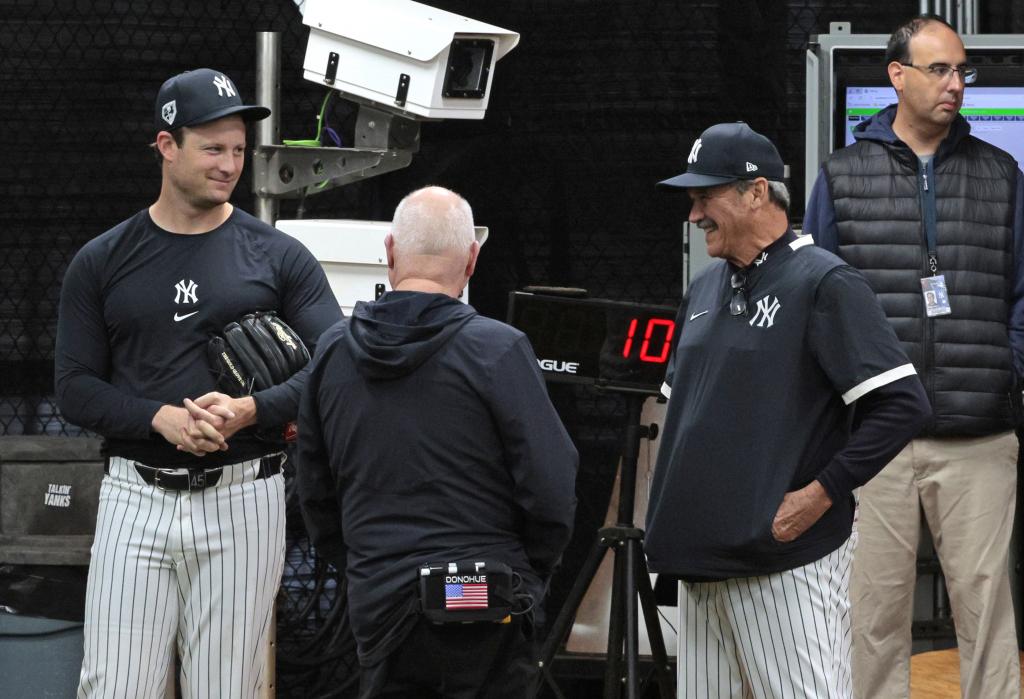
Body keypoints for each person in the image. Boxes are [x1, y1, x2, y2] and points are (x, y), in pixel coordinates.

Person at [55, 68, 343, 698]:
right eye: (213, 148)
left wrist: (253, 408)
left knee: (228, 689)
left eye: (238, 150)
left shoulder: (277, 255)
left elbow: (336, 362)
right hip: (137, 496)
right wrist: (159, 418)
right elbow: (74, 387)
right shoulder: (103, 260)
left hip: (245, 495)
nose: (229, 164)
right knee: (115, 686)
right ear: (166, 145)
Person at [645, 122, 930, 698]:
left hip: (783, 560)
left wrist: (818, 494)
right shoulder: (703, 288)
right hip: (702, 561)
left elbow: (902, 405)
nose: (694, 213)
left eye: (706, 197)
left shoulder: (824, 281)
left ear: (756, 192)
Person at [804, 15, 1024, 699]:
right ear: (897, 75)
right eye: (940, 70)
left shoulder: (1002, 173)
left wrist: (1008, 366)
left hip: (978, 432)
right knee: (871, 615)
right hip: (875, 439)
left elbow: (1022, 289)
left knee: (989, 615)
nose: (955, 84)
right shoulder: (841, 176)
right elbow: (817, 298)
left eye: (962, 71)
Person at [296, 185, 578, 698]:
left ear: (389, 252)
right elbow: (551, 487)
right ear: (472, 259)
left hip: (380, 602)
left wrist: (369, 566)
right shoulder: (498, 350)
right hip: (486, 598)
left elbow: (314, 491)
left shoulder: (333, 351)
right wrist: (528, 575)